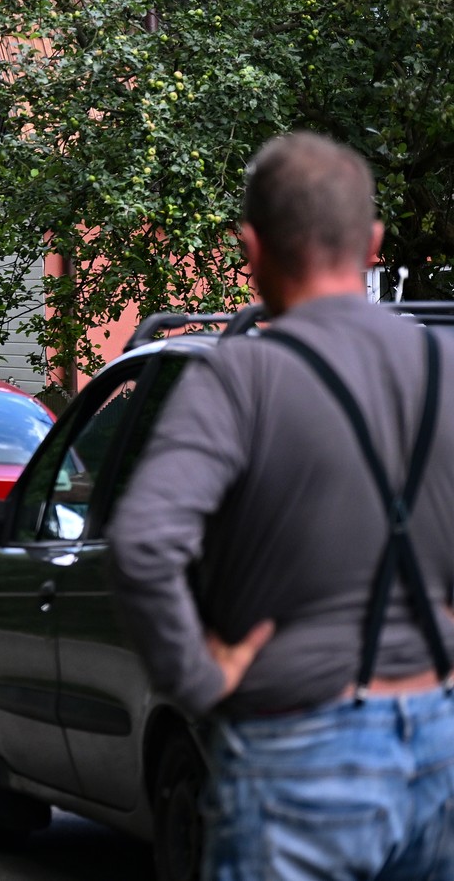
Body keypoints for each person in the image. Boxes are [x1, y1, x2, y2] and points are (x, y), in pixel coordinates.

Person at [109, 132, 454, 880]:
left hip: (300, 748)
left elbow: (141, 543)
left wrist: (199, 682)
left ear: (250, 247)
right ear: (372, 244)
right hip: (443, 740)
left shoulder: (242, 378)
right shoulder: (445, 365)